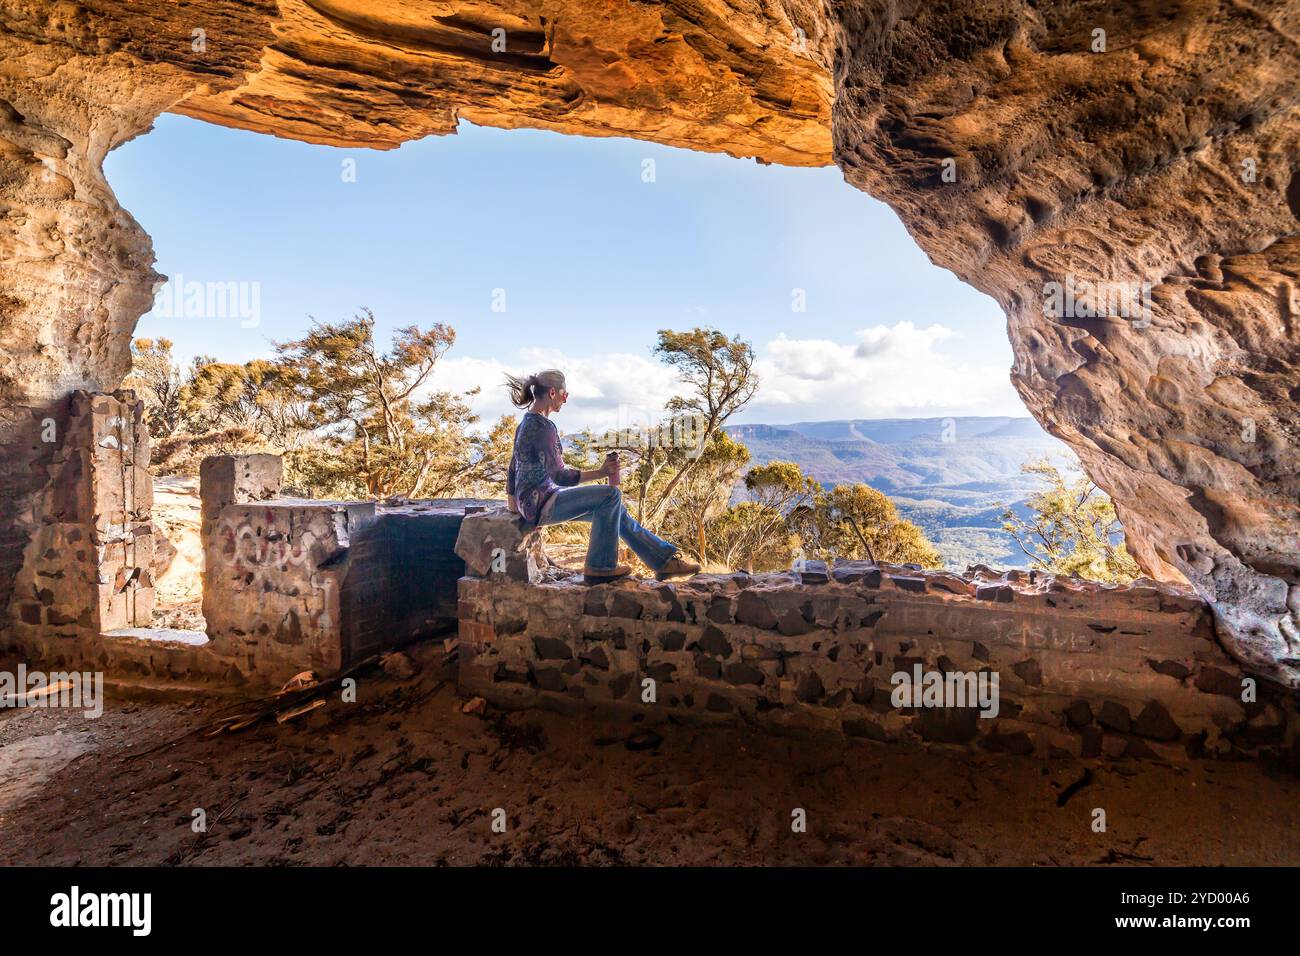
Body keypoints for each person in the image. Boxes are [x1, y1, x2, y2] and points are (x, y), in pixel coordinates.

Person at [503, 369, 701, 585]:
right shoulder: (543, 427)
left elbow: (513, 469)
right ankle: (600, 567)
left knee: (616, 512)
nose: (565, 400)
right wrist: (602, 472)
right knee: (611, 496)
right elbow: (560, 476)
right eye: (565, 394)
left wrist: (515, 506)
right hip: (542, 504)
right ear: (552, 393)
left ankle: (663, 562)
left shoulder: (525, 423)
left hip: (532, 504)